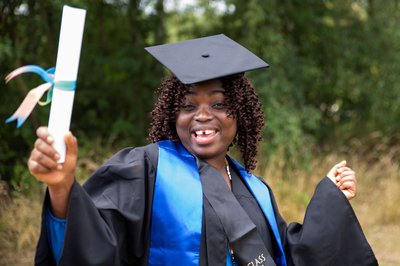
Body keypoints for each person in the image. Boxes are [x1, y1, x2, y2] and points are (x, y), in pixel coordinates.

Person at [29, 34, 377, 266]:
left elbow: (287, 255)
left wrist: (330, 200)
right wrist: (61, 185)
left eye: (220, 103)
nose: (203, 115)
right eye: (188, 105)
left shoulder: (256, 189)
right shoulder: (145, 169)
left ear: (240, 114)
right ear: (172, 114)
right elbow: (92, 239)